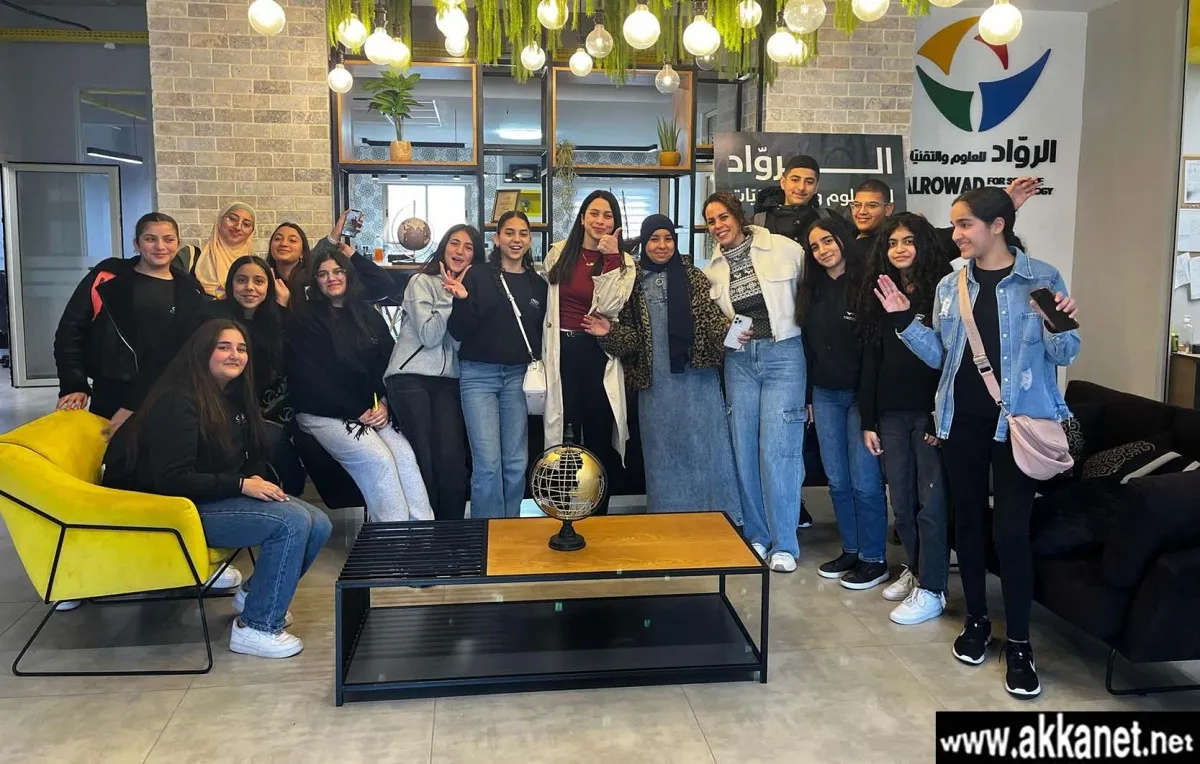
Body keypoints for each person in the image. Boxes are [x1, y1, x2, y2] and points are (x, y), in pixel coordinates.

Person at [875, 187, 1080, 698]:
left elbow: (1066, 353)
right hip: (959, 424)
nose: (957, 234)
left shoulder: (1040, 279)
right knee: (966, 526)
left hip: (1018, 426)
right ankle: (977, 623)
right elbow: (940, 357)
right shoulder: (951, 285)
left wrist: (1059, 322)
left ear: (998, 225)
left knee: (1010, 535)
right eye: (955, 225)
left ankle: (1021, 645)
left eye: (964, 224)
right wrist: (903, 319)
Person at [101, 319, 331, 659]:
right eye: (224, 347)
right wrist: (241, 485)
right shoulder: (178, 400)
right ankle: (257, 627)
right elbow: (173, 479)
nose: (235, 355)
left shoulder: (230, 395)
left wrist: (254, 480)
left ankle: (256, 596)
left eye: (241, 348)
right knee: (290, 523)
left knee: (318, 522)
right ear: (202, 351)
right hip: (167, 509)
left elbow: (248, 454)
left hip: (199, 497)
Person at [599, 215, 741, 518]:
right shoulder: (632, 282)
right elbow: (630, 340)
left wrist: (731, 332)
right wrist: (608, 333)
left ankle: (719, 519)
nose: (662, 246)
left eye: (668, 239)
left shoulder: (693, 276)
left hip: (697, 381)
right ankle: (667, 519)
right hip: (656, 385)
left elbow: (711, 320)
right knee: (663, 454)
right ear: (644, 242)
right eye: (654, 239)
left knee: (707, 448)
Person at [856, 213, 953, 624]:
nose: (900, 249)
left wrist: (938, 416)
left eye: (908, 241)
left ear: (924, 244)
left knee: (931, 506)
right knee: (903, 504)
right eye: (893, 242)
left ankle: (933, 588)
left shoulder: (943, 292)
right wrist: (870, 420)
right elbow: (871, 362)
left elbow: (948, 362)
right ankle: (915, 571)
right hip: (891, 415)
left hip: (929, 415)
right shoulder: (880, 292)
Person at [287, 249, 432, 522]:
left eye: (337, 271)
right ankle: (392, 540)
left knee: (404, 456)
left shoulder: (368, 314)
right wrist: (356, 410)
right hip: (323, 411)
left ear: (348, 274)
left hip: (371, 408)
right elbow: (311, 378)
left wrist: (384, 403)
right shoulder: (305, 317)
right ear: (315, 281)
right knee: (379, 460)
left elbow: (387, 362)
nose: (331, 278)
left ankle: (422, 534)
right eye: (323, 274)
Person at [703, 191, 807, 572]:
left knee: (778, 451)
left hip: (784, 355)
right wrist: (728, 331)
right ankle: (758, 535)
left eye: (723, 217)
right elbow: (717, 320)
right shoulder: (712, 269)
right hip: (740, 361)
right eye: (711, 221)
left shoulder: (785, 249)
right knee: (744, 448)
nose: (718, 226)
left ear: (739, 216)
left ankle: (785, 543)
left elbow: (807, 300)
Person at [797, 215, 889, 590]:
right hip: (825, 395)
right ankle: (851, 550)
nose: (822, 250)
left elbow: (874, 353)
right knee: (837, 480)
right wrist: (809, 397)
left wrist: (869, 412)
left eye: (828, 241)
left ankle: (874, 559)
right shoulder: (812, 289)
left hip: (860, 397)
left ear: (843, 240)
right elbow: (808, 350)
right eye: (815, 246)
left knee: (865, 481)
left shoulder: (868, 286)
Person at [54, 212, 209, 432]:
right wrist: (74, 383)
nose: (160, 246)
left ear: (178, 244)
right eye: (150, 239)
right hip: (112, 391)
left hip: (167, 393)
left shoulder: (190, 291)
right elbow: (71, 330)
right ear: (136, 244)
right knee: (110, 450)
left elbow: (188, 350)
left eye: (168, 239)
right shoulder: (108, 277)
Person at [542, 190, 636, 515]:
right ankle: (564, 509)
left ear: (615, 222)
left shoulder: (624, 262)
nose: (600, 221)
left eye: (607, 215)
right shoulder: (558, 253)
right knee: (565, 434)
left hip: (597, 353)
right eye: (594, 214)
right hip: (562, 352)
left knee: (598, 434)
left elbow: (611, 306)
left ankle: (598, 512)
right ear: (582, 218)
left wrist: (610, 259)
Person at [448, 211, 547, 519]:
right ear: (497, 238)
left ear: (530, 240)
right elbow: (458, 331)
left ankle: (510, 529)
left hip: (518, 378)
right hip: (477, 376)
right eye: (509, 233)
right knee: (488, 464)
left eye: (522, 234)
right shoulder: (476, 276)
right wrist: (462, 300)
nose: (516, 239)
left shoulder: (538, 286)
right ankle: (486, 533)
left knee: (516, 462)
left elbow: (541, 336)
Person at [383, 225, 482, 521]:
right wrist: (450, 296)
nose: (459, 251)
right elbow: (429, 335)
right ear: (443, 247)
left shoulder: (470, 291)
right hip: (410, 377)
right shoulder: (421, 281)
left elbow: (462, 340)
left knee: (453, 463)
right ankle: (422, 532)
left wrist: (463, 298)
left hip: (448, 381)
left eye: (468, 247)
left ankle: (450, 534)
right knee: (423, 459)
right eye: (454, 243)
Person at [203, 255, 305, 495]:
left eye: (259, 281)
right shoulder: (212, 317)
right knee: (267, 441)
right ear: (230, 284)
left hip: (274, 405)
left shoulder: (278, 317)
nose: (250, 287)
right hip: (224, 404)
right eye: (241, 280)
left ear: (269, 286)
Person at [268, 213, 399, 305]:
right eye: (278, 239)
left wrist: (352, 254)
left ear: (303, 252)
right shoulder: (264, 280)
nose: (283, 244)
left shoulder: (321, 282)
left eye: (292, 240)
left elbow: (384, 284)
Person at [185, 203, 257, 298]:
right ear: (219, 220)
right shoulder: (190, 256)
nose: (238, 227)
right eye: (232, 219)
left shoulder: (256, 265)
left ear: (251, 231)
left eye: (246, 224)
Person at [848, 179, 896, 261]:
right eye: (857, 205)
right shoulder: (845, 238)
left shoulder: (890, 248)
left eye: (871, 206)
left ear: (888, 209)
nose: (862, 212)